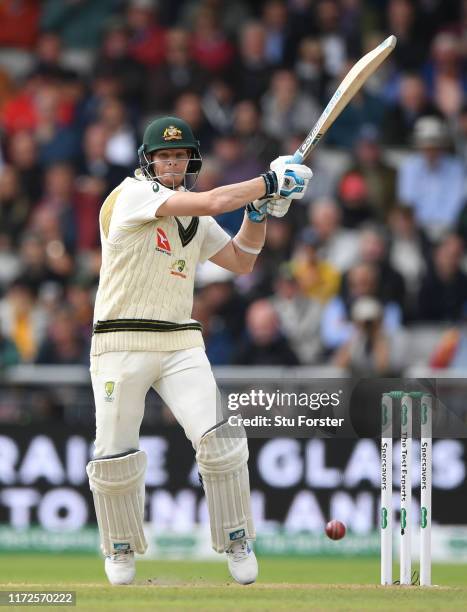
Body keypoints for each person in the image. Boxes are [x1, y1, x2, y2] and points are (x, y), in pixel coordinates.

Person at [85, 115, 312, 586]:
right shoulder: (134, 195)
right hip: (119, 340)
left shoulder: (193, 216)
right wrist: (268, 181)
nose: (171, 163)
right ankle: (121, 547)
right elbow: (214, 199)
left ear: (190, 159)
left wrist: (259, 213)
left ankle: (236, 538)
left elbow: (242, 261)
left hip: (180, 341)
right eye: (163, 156)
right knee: (114, 452)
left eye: (179, 156)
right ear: (148, 162)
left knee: (221, 440)